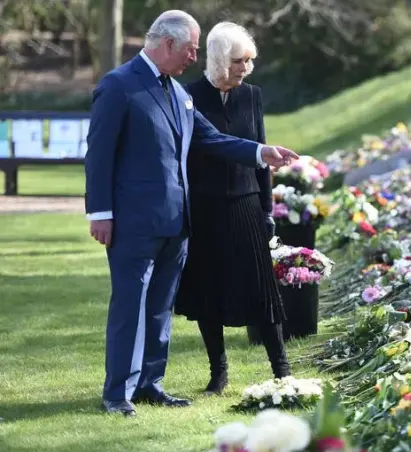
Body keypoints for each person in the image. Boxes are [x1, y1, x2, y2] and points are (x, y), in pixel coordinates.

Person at [84, 10, 298, 417]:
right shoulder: (119, 85)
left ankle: (150, 384)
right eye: (191, 49)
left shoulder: (178, 92)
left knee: (160, 308)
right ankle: (117, 394)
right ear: (168, 44)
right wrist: (99, 212)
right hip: (134, 224)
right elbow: (99, 155)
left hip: (177, 223)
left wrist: (260, 152)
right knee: (130, 306)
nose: (195, 58)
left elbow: (212, 139)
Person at [173, 22, 289, 396]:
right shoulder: (188, 96)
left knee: (262, 290)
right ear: (220, 59)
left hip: (246, 203)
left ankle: (282, 371)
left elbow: (262, 155)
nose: (246, 68)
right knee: (209, 291)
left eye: (249, 60)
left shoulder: (252, 96)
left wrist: (268, 210)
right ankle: (218, 373)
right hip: (204, 207)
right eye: (239, 61)